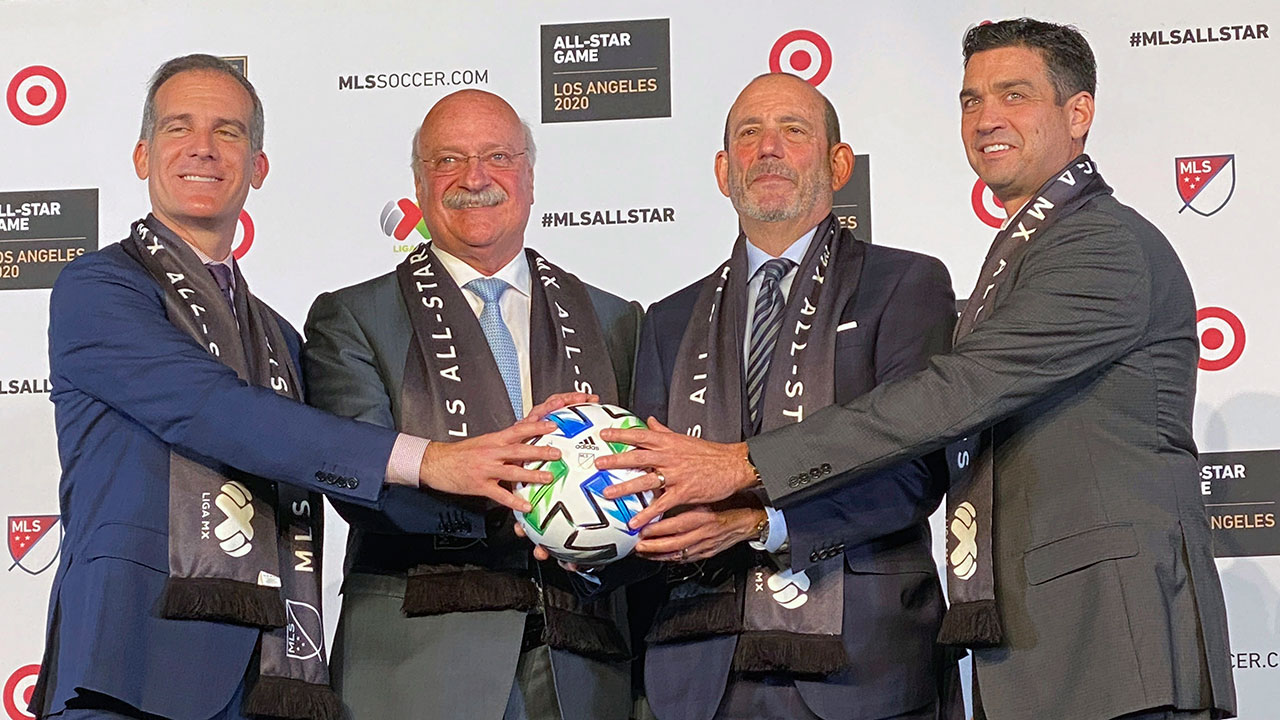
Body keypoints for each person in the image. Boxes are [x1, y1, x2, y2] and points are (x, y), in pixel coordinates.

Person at [598, 19, 1236, 720]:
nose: (988, 117)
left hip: (1108, 642)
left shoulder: (1102, 247)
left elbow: (949, 398)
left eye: (1015, 94)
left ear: (1078, 112)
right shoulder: (1027, 249)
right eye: (971, 100)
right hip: (1038, 649)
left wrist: (743, 467)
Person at [33, 55, 572, 720]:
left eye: (229, 132)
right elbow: (216, 412)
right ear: (143, 156)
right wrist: (437, 458)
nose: (204, 147)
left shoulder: (282, 340)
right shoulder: (99, 290)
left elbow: (342, 469)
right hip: (130, 668)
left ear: (258, 169)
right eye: (180, 128)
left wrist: (538, 506)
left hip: (270, 679)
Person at [615, 72, 959, 720]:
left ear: (838, 163)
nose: (768, 148)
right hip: (700, 666)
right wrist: (586, 534)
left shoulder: (905, 284)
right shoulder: (666, 320)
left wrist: (759, 522)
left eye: (792, 131)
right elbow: (645, 484)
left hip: (863, 669)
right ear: (723, 170)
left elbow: (914, 470)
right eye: (750, 134)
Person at [302, 89, 644, 720]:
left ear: (530, 178)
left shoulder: (615, 320)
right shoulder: (349, 316)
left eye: (496, 157)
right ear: (418, 182)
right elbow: (356, 480)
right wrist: (530, 507)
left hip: (586, 666)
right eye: (447, 160)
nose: (474, 178)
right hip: (417, 662)